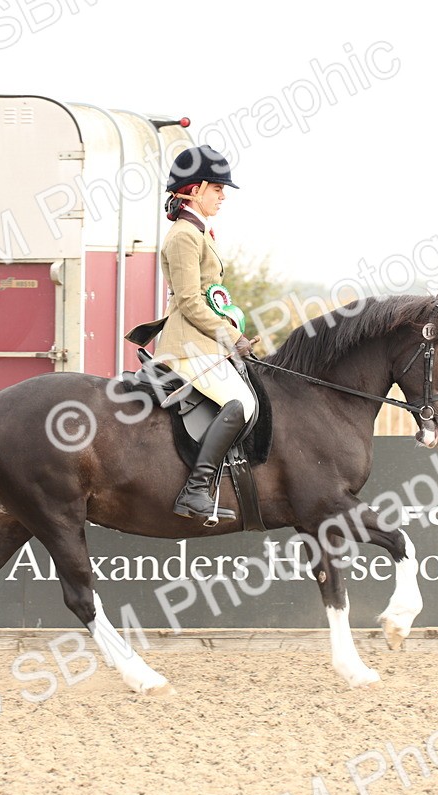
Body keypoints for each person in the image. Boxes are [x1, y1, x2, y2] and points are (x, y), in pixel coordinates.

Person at [153, 145, 257, 522]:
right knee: (241, 405)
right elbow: (190, 302)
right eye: (217, 189)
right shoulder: (184, 235)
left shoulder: (198, 232)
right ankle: (195, 490)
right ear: (195, 190)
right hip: (187, 346)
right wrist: (230, 335)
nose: (223, 196)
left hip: (203, 342)